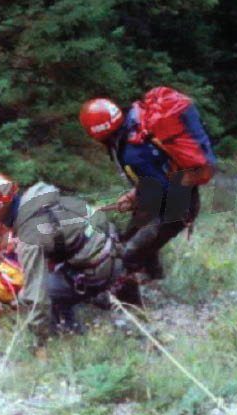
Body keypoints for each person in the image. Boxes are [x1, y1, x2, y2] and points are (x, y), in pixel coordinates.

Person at [79, 87, 216, 280]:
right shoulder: (132, 127)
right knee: (130, 237)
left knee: (129, 253)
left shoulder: (130, 152)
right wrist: (134, 197)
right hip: (178, 196)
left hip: (177, 208)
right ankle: (155, 278)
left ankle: (128, 300)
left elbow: (160, 192)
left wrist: (135, 200)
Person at [0, 173, 123, 336]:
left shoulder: (29, 237)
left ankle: (66, 335)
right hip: (113, 250)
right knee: (51, 274)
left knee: (31, 293)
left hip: (100, 269)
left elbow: (36, 297)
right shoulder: (37, 198)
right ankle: (98, 298)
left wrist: (38, 337)